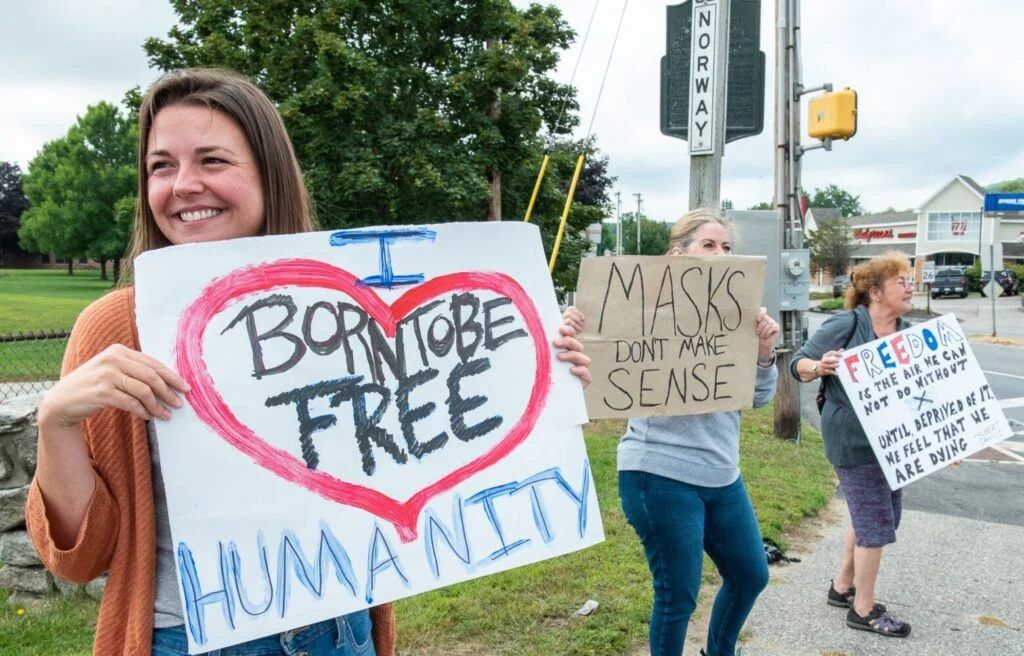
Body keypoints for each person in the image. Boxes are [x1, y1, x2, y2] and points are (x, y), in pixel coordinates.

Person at [562, 208, 780, 656]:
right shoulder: (637, 307)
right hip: (658, 472)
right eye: (708, 245)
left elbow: (756, 398)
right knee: (678, 595)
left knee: (751, 574)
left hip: (722, 474)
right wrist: (574, 331)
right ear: (678, 255)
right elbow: (590, 368)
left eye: (726, 247)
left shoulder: (740, 314)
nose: (720, 255)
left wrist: (763, 353)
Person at [791, 252, 914, 638]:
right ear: (875, 292)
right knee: (875, 525)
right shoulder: (847, 324)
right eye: (902, 281)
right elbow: (798, 363)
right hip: (853, 440)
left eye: (909, 280)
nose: (911, 287)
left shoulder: (907, 332)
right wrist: (820, 366)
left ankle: (842, 587)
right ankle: (863, 609)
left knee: (880, 518)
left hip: (892, 441)